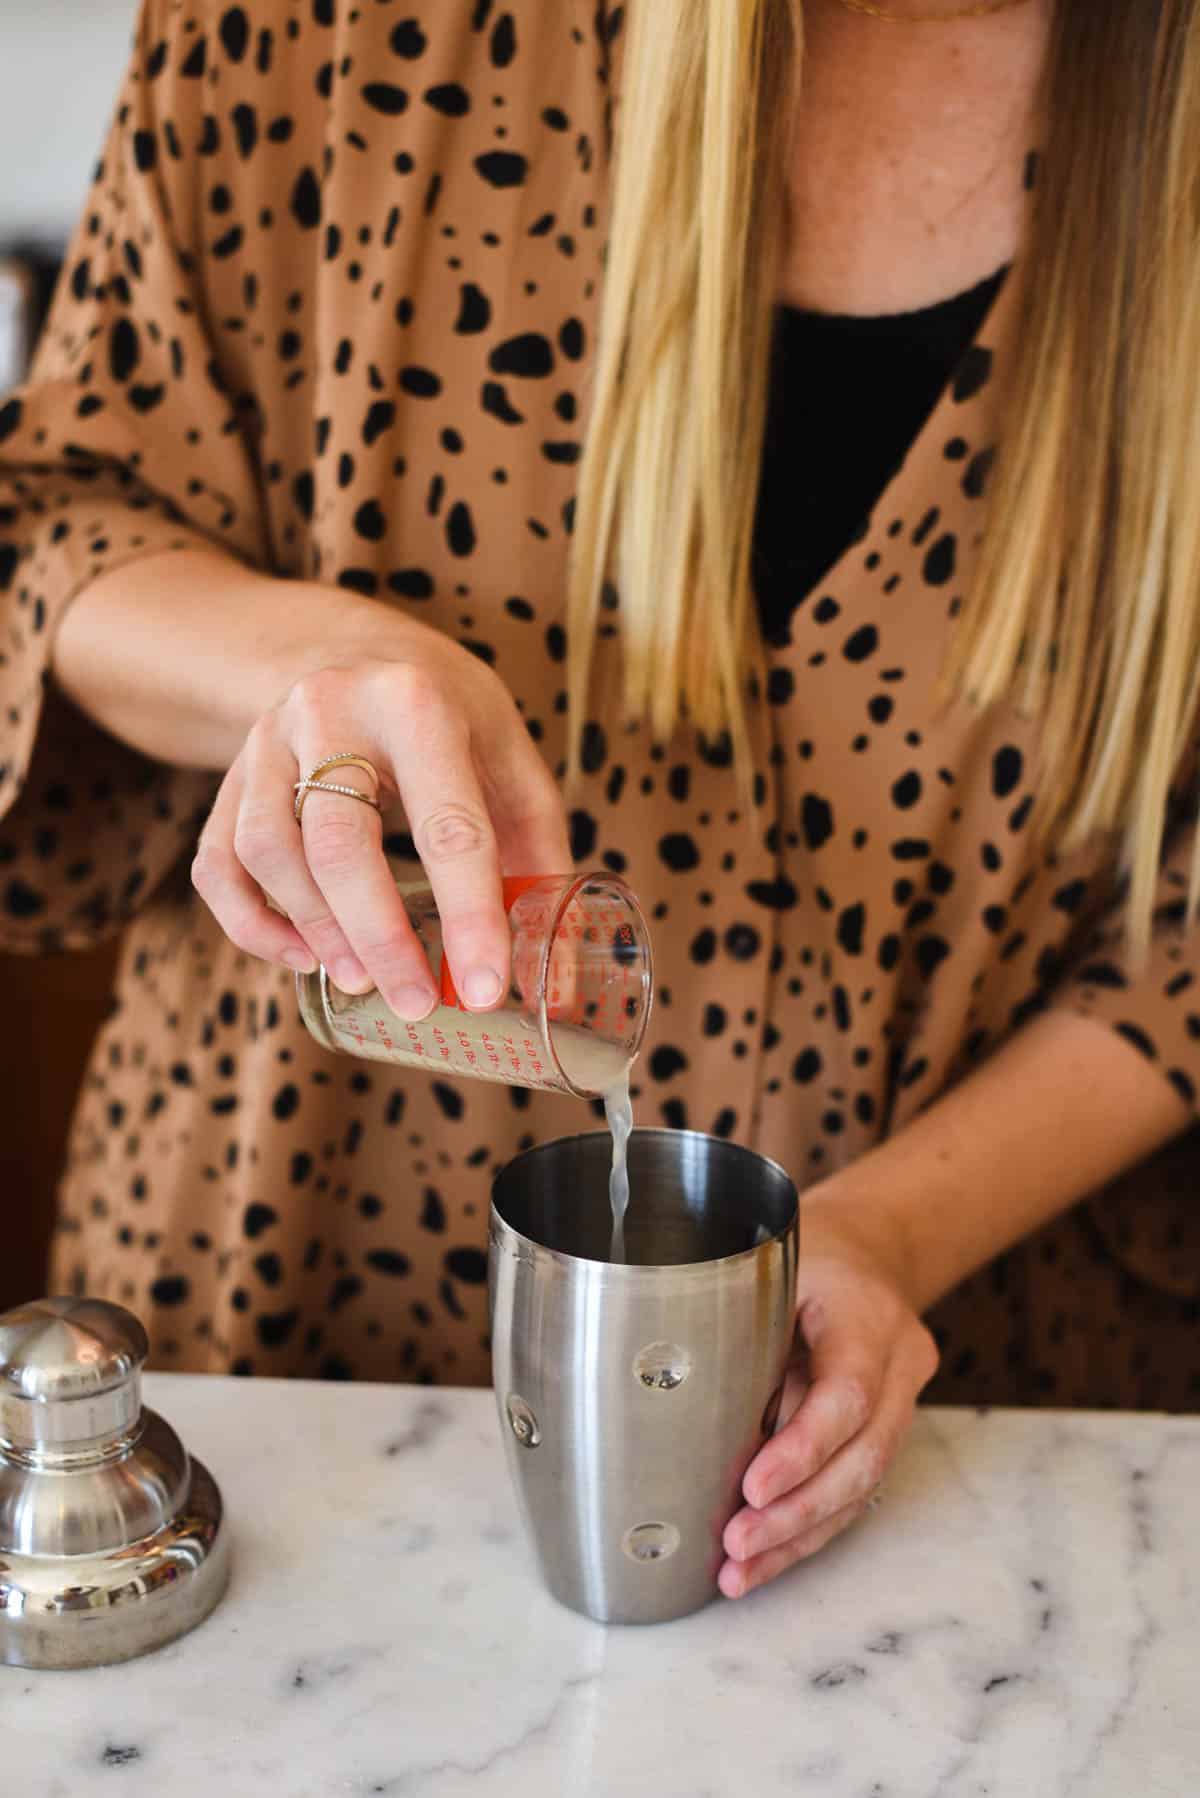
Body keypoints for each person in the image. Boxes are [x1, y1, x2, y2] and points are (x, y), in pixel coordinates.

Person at [1, 0, 1197, 1600]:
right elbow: (52, 526)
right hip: (292, 1343)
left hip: (970, 1447)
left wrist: (894, 1232)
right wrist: (313, 664)